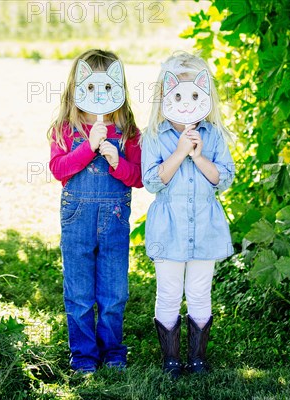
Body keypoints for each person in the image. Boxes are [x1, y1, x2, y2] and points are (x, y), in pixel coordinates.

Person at [141, 51, 236, 377]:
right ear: (165, 94)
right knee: (168, 292)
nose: (185, 103)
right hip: (169, 229)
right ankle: (170, 359)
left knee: (199, 292)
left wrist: (197, 157)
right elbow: (152, 181)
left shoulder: (213, 136)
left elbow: (224, 178)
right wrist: (180, 152)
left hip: (204, 227)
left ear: (205, 94)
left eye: (195, 95)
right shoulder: (154, 136)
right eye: (178, 95)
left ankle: (197, 358)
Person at [48, 49, 142, 374]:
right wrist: (88, 148)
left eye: (106, 88)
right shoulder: (66, 129)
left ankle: (113, 351)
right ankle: (84, 355)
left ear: (118, 87)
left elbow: (138, 177)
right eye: (89, 88)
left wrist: (117, 161)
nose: (98, 95)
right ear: (77, 87)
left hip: (114, 217)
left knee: (114, 291)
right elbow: (59, 169)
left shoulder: (127, 131)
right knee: (79, 292)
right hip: (77, 217)